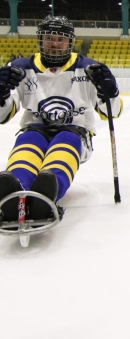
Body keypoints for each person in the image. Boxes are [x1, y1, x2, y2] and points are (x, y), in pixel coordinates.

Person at [0, 15, 123, 222]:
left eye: (60, 39)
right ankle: (16, 195)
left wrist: (108, 92)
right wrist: (1, 93)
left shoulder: (89, 68)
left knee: (66, 140)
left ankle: (46, 197)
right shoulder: (21, 67)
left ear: (70, 42)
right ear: (40, 40)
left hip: (76, 133)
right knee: (28, 141)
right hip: (35, 129)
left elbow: (111, 112)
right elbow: (4, 115)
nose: (55, 43)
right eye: (49, 38)